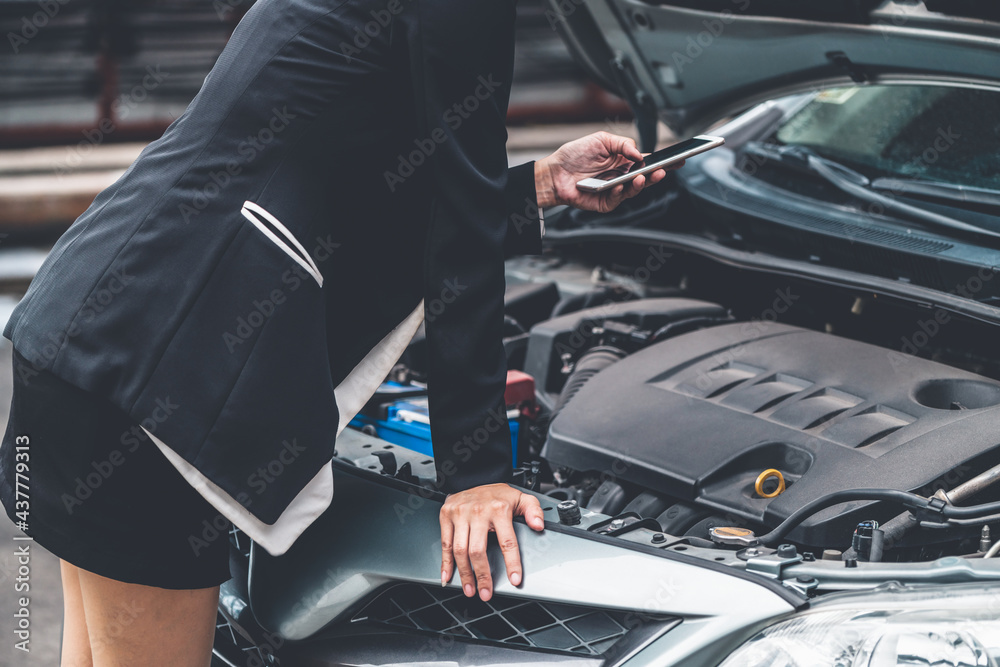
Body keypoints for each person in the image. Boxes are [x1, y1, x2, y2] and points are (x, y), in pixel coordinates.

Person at [0, 0, 677, 663]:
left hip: (89, 332)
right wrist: (475, 475)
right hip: (154, 382)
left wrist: (542, 182)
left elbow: (352, 174)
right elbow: (459, 237)